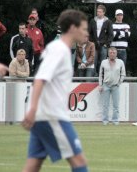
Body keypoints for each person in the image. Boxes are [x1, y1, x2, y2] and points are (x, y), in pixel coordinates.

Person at [21, 9, 89, 172]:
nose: (86, 34)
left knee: (33, 164)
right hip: (51, 115)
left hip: (43, 116)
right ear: (73, 28)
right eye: (84, 29)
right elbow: (40, 79)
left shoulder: (58, 48)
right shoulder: (59, 49)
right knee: (79, 160)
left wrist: (34, 110)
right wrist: (33, 109)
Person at [99, 47, 126, 126]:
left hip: (115, 86)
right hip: (105, 85)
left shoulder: (120, 62)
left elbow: (123, 74)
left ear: (116, 53)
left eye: (114, 52)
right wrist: (100, 85)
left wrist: (119, 83)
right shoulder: (103, 62)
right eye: (110, 52)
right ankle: (105, 121)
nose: (112, 54)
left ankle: (115, 121)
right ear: (108, 53)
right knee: (105, 105)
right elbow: (101, 74)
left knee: (116, 105)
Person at [89, 4, 113, 76]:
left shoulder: (108, 21)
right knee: (93, 61)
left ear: (103, 12)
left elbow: (111, 34)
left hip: (104, 45)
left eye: (100, 12)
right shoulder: (93, 21)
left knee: (103, 61)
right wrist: (91, 43)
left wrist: (107, 44)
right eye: (97, 11)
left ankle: (101, 76)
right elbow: (89, 32)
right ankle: (93, 76)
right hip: (94, 44)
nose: (98, 13)